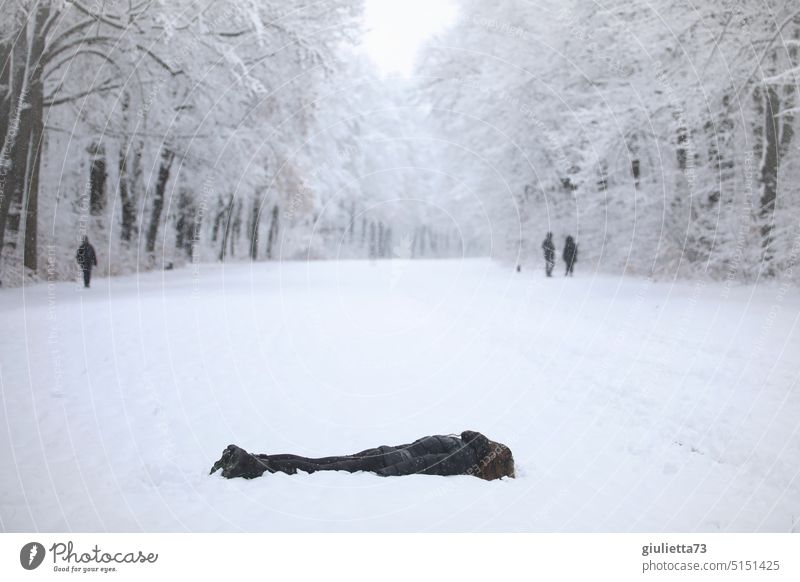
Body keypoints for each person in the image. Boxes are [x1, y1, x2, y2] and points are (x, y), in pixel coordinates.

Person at [210, 430, 515, 481]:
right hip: (388, 460)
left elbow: (424, 449)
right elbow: (426, 463)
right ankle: (250, 465)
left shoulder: (461, 442)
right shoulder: (466, 460)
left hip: (385, 451)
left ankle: (255, 458)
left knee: (321, 462)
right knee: (319, 469)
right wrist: (389, 472)